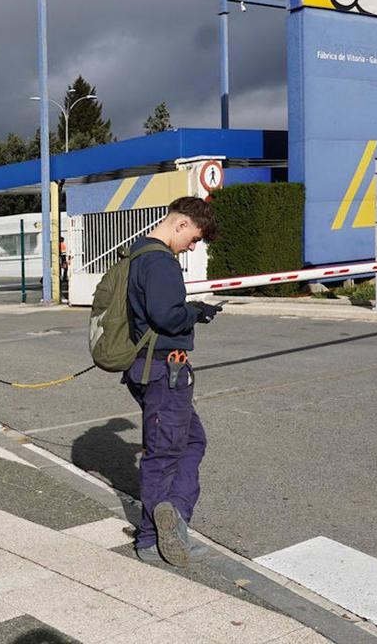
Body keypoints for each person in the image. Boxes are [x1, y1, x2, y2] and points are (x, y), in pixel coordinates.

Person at [124, 196, 220, 567]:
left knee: (192, 440)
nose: (192, 246)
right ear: (180, 224)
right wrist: (194, 312)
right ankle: (153, 536)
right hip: (165, 370)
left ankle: (171, 517)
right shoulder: (160, 260)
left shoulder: (138, 253)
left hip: (149, 368)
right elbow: (166, 316)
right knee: (164, 454)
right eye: (193, 238)